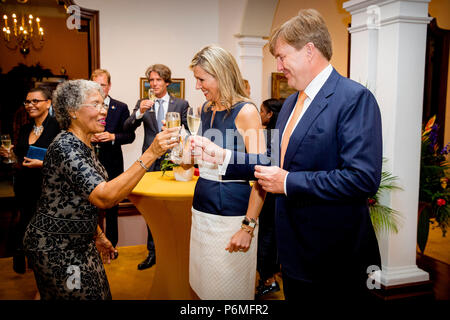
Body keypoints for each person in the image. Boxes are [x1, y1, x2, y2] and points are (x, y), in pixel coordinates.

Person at [192, 9, 382, 301]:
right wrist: (223, 157)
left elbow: (362, 179)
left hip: (334, 254)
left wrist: (289, 183)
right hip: (293, 253)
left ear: (309, 50)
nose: (278, 65)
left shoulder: (353, 98)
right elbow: (271, 163)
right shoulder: (291, 102)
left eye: (282, 56)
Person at [23, 79, 179, 299]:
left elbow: (77, 198)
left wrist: (98, 234)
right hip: (57, 248)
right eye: (95, 104)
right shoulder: (66, 146)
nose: (103, 110)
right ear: (72, 111)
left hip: (81, 242)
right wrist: (151, 153)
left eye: (103, 104)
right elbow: (104, 197)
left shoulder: (85, 143)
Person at [180, 45, 266, 300]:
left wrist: (248, 227)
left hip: (232, 215)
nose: (197, 86)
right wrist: (184, 147)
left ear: (220, 75)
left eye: (201, 79)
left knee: (228, 290)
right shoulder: (207, 109)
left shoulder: (247, 112)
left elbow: (262, 171)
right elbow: (192, 164)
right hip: (202, 209)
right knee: (201, 286)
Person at [124, 64, 189, 270]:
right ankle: (153, 252)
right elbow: (127, 127)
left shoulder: (181, 104)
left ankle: (174, 251)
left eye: (158, 80)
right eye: (151, 80)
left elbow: (189, 131)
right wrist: (140, 113)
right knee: (153, 207)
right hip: (151, 159)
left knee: (174, 205)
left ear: (167, 82)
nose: (154, 84)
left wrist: (177, 131)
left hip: (174, 160)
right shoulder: (143, 103)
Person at [0, 87, 60, 274]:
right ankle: (31, 263)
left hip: (48, 190)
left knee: (46, 233)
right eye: (27, 101)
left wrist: (43, 164)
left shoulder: (58, 127)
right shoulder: (26, 128)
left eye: (35, 101)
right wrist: (10, 154)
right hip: (25, 187)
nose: (30, 105)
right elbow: (21, 156)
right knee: (26, 227)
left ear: (48, 103)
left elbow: (65, 160)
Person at [91, 69, 135, 250]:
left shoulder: (121, 107)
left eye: (102, 85)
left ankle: (112, 247)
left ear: (109, 86)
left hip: (113, 163)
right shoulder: (86, 106)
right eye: (95, 85)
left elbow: (129, 136)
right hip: (90, 164)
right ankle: (92, 246)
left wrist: (113, 137)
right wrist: (88, 136)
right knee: (90, 208)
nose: (99, 88)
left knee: (112, 208)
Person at [255, 98, 283, 298]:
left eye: (262, 111)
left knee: (266, 237)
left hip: (271, 194)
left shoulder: (272, 137)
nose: (259, 115)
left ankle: (269, 280)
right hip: (278, 195)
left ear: (270, 114)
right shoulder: (279, 134)